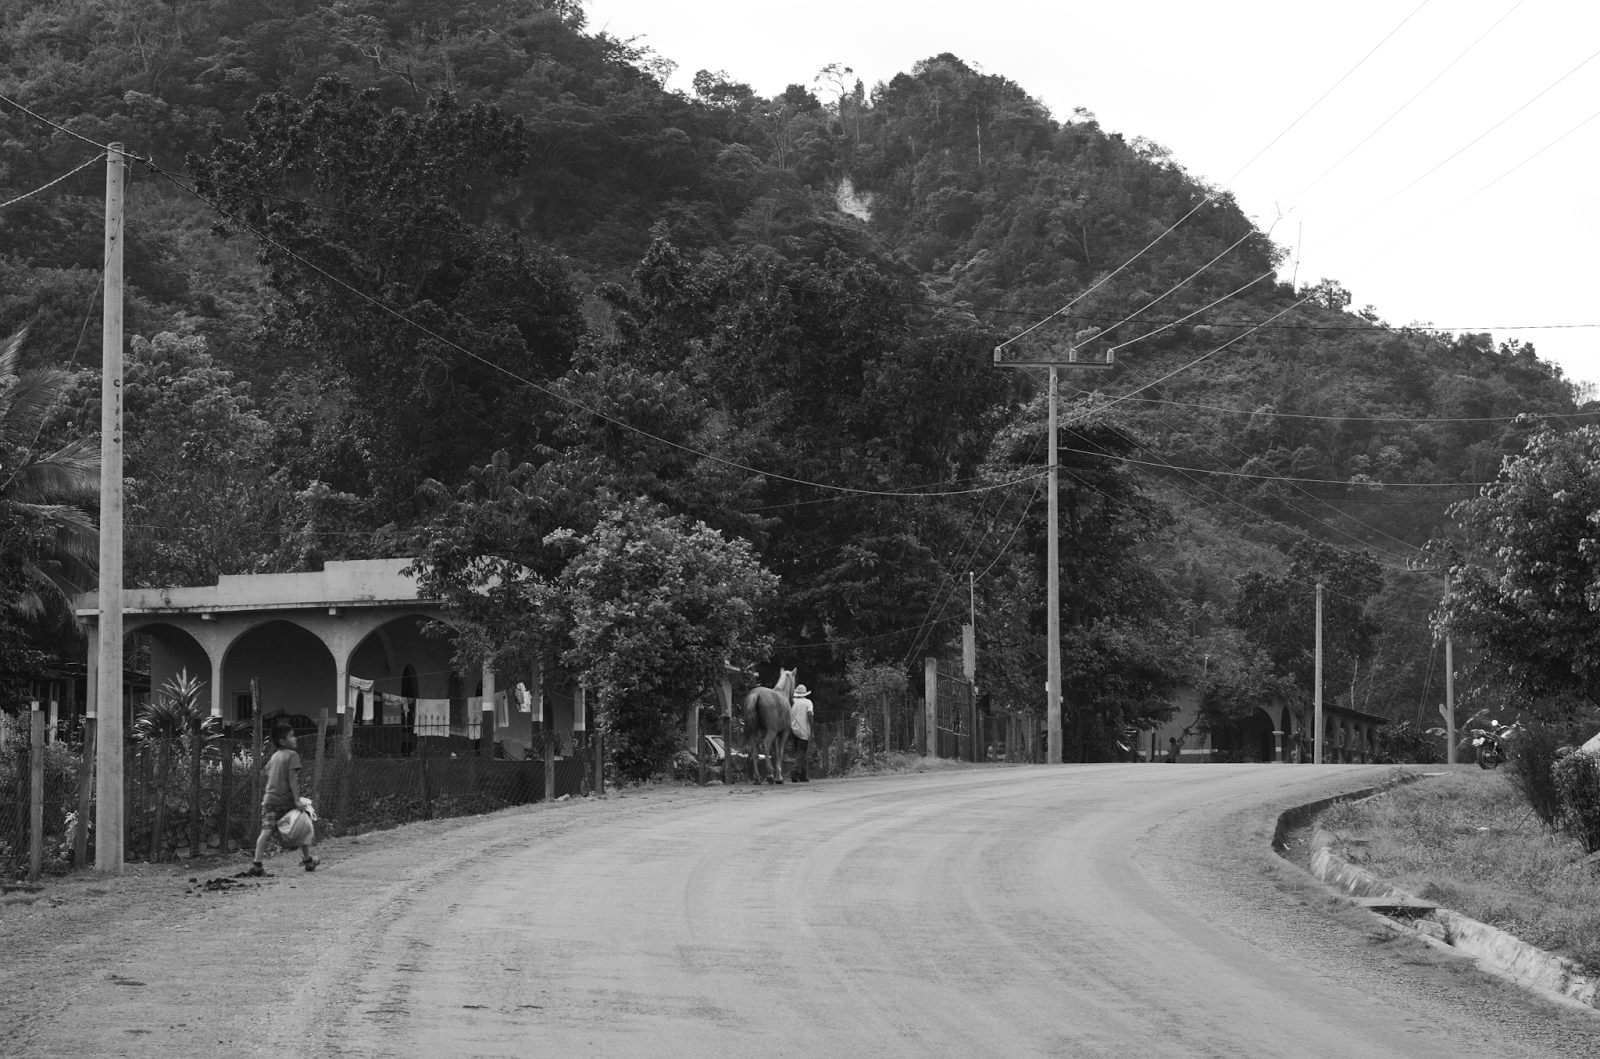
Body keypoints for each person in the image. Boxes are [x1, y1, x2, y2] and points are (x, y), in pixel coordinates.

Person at [248, 723, 319, 875]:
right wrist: (297, 800)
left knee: (265, 832)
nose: (295, 738)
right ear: (283, 741)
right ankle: (308, 861)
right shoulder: (292, 755)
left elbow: (269, 775)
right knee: (302, 828)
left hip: (269, 801)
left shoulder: (274, 757)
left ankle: (257, 864)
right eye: (292, 735)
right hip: (287, 802)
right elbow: (292, 779)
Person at [789, 683, 815, 782]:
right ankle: (795, 771)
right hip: (804, 730)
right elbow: (810, 715)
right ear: (805, 693)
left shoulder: (791, 702)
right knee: (801, 752)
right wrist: (812, 731)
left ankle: (802, 775)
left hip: (793, 729)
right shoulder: (808, 702)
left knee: (799, 753)